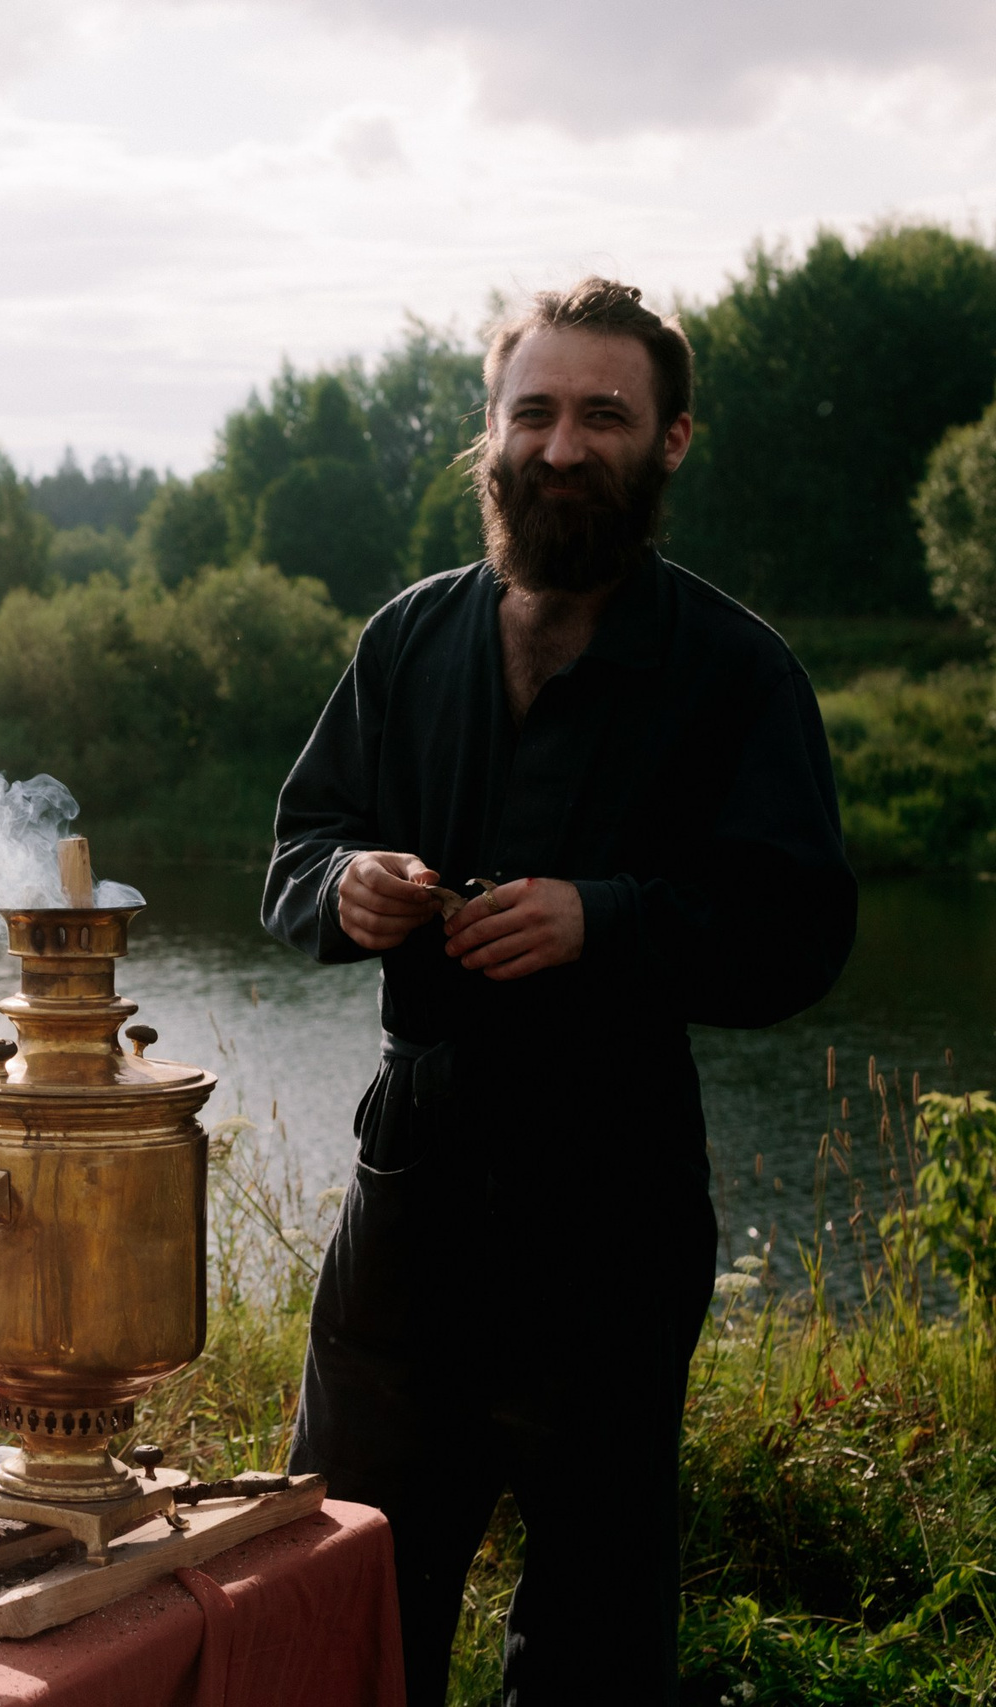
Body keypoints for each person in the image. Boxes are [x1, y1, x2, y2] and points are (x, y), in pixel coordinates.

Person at [261, 278, 856, 1705]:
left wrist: (610, 920)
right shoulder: (406, 639)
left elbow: (800, 932)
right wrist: (344, 887)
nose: (564, 445)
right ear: (491, 433)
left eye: (605, 415)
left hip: (615, 1189)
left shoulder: (734, 669)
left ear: (671, 442)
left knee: (592, 1626)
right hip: (412, 1183)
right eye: (534, 412)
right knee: (342, 1583)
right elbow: (293, 852)